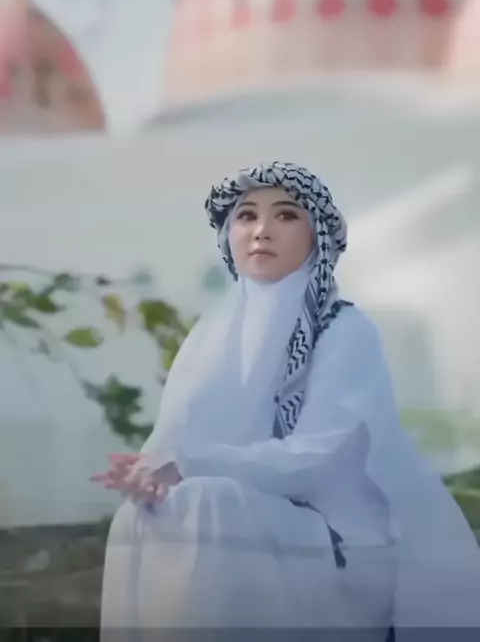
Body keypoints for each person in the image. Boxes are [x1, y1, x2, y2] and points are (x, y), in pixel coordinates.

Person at [94, 161, 480, 638]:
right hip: (245, 519)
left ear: (317, 236)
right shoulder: (210, 337)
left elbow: (319, 460)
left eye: (285, 215)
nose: (261, 230)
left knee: (208, 503)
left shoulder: (344, 329)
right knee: (141, 517)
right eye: (246, 216)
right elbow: (171, 445)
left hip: (335, 541)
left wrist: (190, 465)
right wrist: (148, 479)